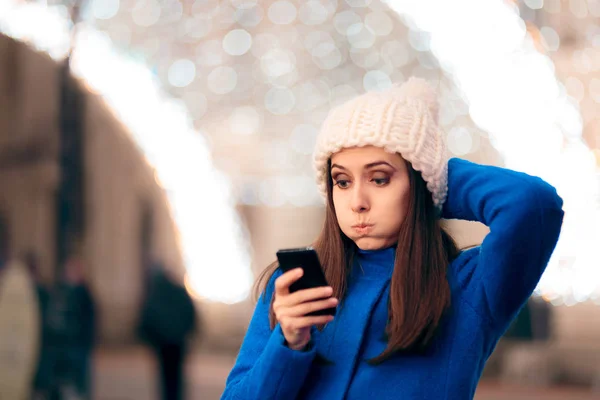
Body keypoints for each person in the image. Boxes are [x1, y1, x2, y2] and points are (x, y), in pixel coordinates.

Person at [221, 77, 564, 399]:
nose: (357, 202)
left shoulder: (471, 286)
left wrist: (431, 178)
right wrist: (288, 343)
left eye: (379, 179)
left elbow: (532, 204)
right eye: (342, 181)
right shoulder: (295, 284)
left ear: (416, 184)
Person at [138, 263, 197, 400]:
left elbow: (147, 318)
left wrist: (149, 337)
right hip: (178, 343)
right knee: (177, 375)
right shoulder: (180, 292)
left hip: (162, 344)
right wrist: (187, 332)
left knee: (165, 376)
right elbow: (191, 314)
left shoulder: (154, 294)